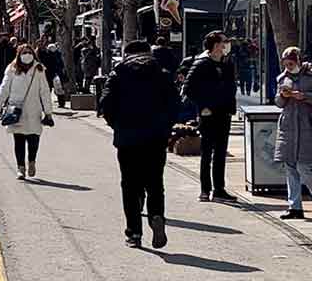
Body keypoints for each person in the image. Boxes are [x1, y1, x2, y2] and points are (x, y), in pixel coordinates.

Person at [99, 40, 180, 249]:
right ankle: (156, 216)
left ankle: (134, 232)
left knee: (130, 185)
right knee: (155, 183)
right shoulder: (162, 74)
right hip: (156, 138)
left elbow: (105, 105)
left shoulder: (117, 75)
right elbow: (175, 105)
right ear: (149, 54)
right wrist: (165, 127)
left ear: (127, 55)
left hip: (127, 138)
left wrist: (116, 124)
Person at [183, 31, 238, 203]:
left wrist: (230, 107)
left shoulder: (227, 64)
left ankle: (219, 189)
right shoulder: (201, 64)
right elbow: (188, 88)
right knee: (207, 152)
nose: (226, 45)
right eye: (224, 42)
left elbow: (231, 87)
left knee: (221, 152)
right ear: (215, 45)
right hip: (208, 114)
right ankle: (205, 190)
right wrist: (203, 106)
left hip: (224, 113)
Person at [0, 44, 53, 179]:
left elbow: (44, 91)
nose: (27, 55)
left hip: (33, 110)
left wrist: (48, 111)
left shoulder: (39, 69)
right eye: (24, 52)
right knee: (18, 140)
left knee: (33, 139)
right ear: (19, 54)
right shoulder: (12, 68)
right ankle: (20, 168)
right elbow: (4, 88)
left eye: (29, 52)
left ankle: (31, 162)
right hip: (16, 111)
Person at [274, 47, 312, 220]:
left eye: (291, 63)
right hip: (289, 128)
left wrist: (303, 96)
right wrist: (283, 96)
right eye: (286, 64)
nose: (288, 66)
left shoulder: (309, 75)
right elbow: (279, 103)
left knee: (304, 167)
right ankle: (294, 207)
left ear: (298, 60)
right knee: (290, 168)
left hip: (306, 126)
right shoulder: (282, 78)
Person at [42, 43, 70, 108]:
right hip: (52, 74)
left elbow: (60, 64)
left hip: (53, 74)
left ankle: (60, 103)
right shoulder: (53, 55)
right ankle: (60, 103)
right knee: (55, 89)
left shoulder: (54, 55)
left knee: (55, 89)